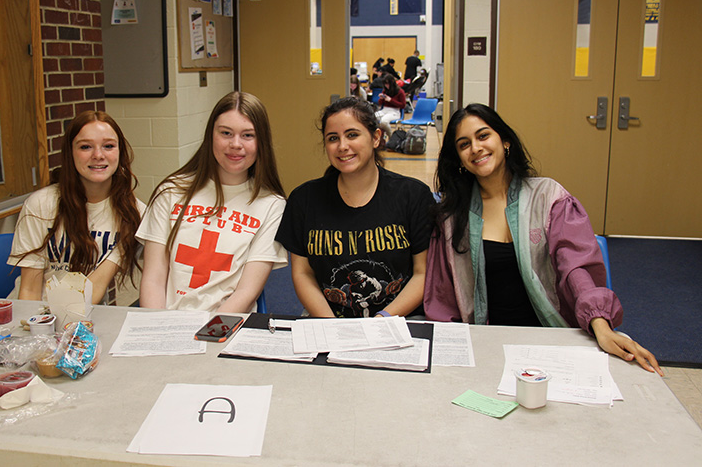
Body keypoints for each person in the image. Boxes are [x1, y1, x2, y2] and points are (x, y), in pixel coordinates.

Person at [424, 103, 663, 375]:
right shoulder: (451, 217)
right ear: (459, 159)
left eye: (483, 136)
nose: (476, 148)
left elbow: (575, 267)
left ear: (505, 142)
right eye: (464, 144)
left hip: (551, 339)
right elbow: (442, 297)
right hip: (484, 344)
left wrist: (600, 325)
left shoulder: (549, 198)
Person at [276, 97, 435, 318]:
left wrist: (383, 321)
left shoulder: (413, 196)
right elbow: (303, 274)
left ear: (376, 138)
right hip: (327, 320)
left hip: (399, 319)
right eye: (333, 138)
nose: (342, 146)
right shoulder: (304, 200)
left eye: (352, 135)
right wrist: (332, 325)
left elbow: (422, 273)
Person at [137, 91, 287, 313]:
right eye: (226, 133)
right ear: (211, 136)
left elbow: (246, 293)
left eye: (248, 135)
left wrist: (207, 336)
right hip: (167, 323)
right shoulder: (170, 191)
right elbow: (153, 280)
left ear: (261, 142)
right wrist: (159, 330)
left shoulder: (272, 205)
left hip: (225, 327)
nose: (236, 144)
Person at [9, 111, 145, 305]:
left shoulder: (133, 214)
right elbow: (29, 291)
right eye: (85, 147)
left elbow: (94, 291)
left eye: (108, 146)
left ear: (120, 152)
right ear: (70, 153)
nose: (98, 155)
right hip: (36, 318)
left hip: (87, 317)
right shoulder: (41, 204)